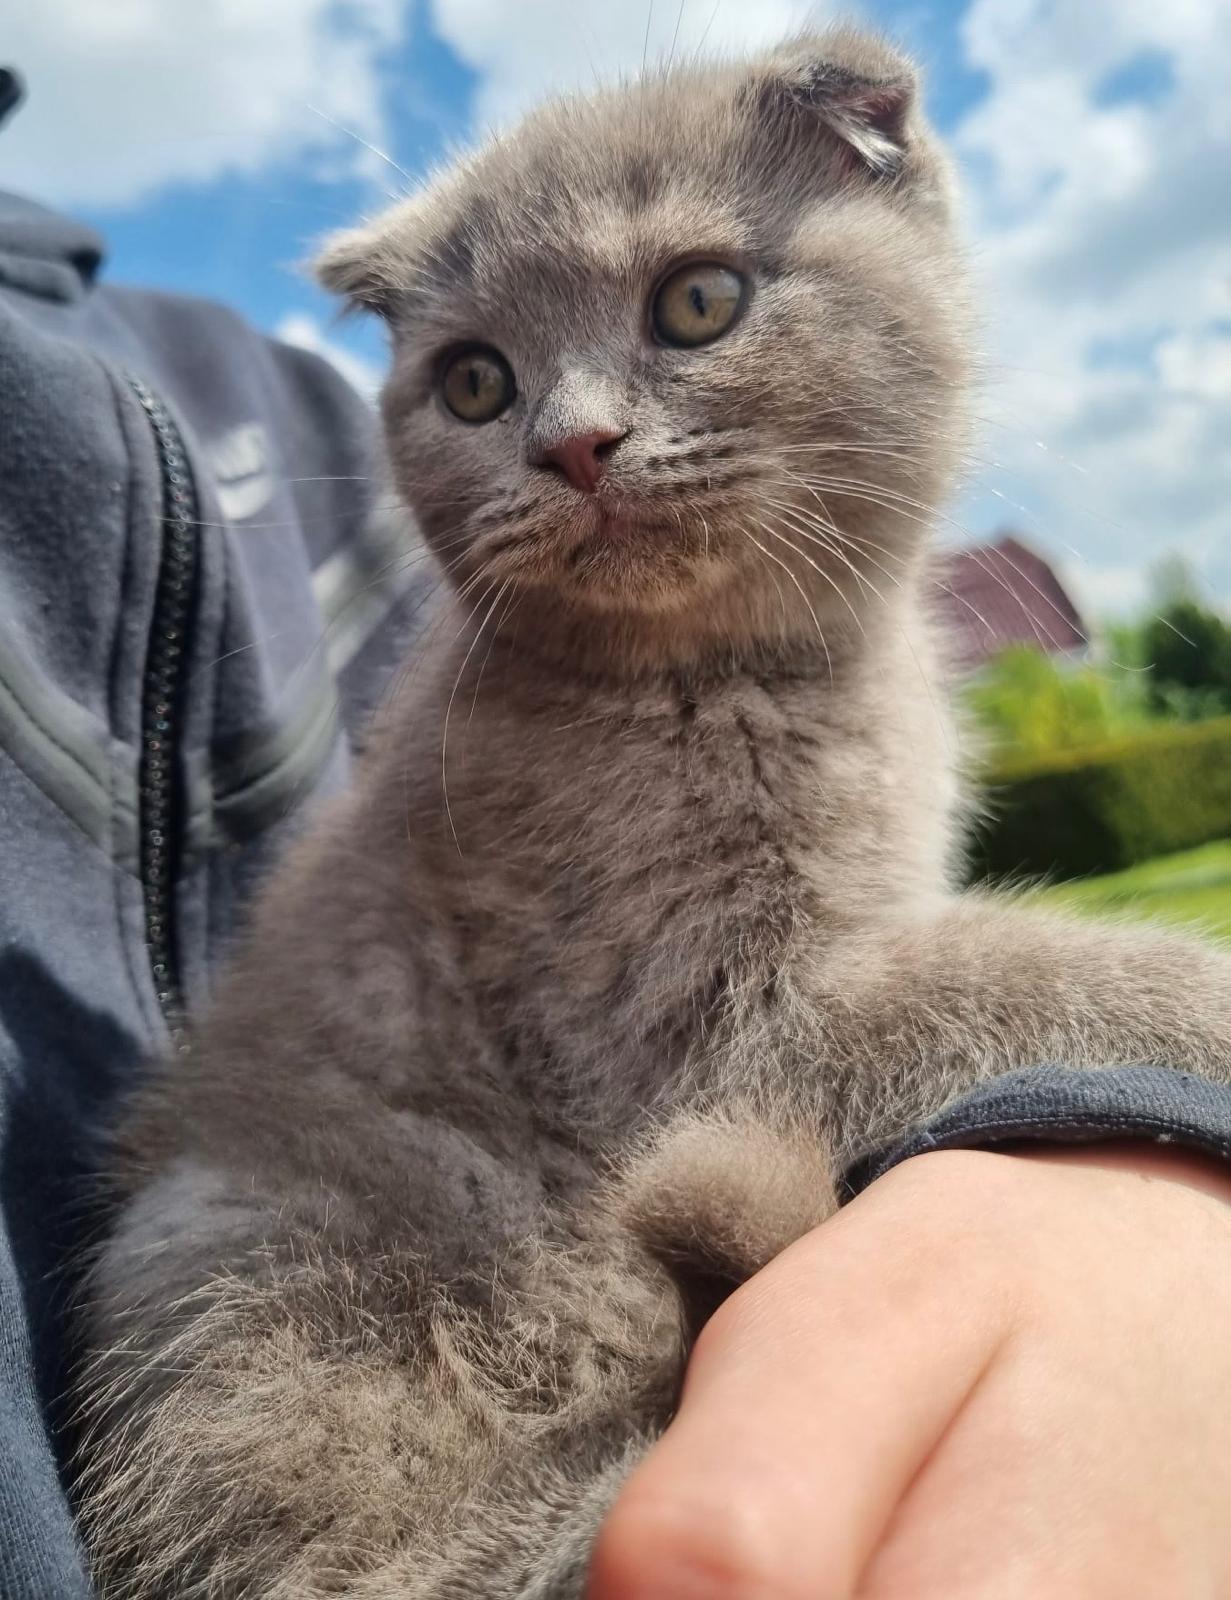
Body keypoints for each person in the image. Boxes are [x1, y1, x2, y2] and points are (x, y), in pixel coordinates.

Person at [2, 75, 1229, 1596]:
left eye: (695, 301)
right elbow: (749, 1050)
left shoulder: (835, 654)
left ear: (880, 170)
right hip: (402, 1441)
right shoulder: (506, 720)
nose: (574, 429)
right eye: (475, 386)